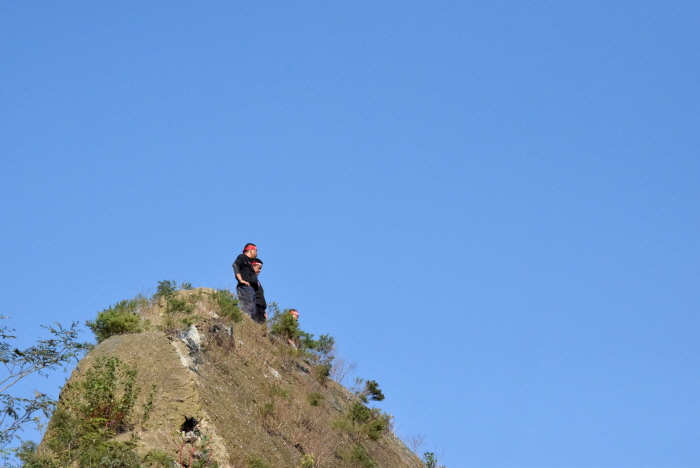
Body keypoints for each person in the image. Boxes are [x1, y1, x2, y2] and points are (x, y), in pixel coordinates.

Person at [232, 243, 258, 319]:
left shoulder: (249, 262)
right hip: (245, 287)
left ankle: (249, 325)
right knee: (248, 307)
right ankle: (244, 322)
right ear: (251, 250)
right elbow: (235, 265)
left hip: (250, 289)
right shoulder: (242, 257)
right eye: (256, 251)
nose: (257, 253)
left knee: (252, 309)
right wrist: (240, 279)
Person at [251, 258, 267, 324]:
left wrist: (264, 311)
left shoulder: (257, 281)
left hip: (261, 308)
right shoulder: (248, 279)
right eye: (259, 268)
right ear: (253, 266)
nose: (259, 270)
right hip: (255, 306)